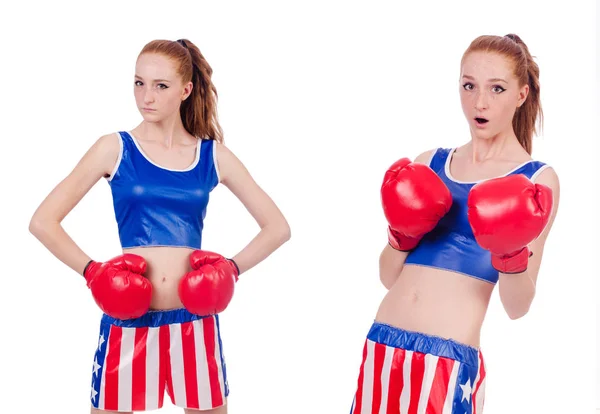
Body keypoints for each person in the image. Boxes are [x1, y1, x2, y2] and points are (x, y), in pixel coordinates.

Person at [29, 38, 291, 413]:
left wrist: (230, 270)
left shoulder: (210, 155)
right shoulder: (114, 147)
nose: (145, 96)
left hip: (195, 318)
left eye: (160, 85)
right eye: (139, 83)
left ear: (186, 90)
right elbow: (43, 221)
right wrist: (93, 272)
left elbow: (277, 227)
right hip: (128, 317)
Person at [349, 34, 560, 414]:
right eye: (469, 85)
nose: (479, 102)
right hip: (382, 344)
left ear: (521, 94)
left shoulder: (535, 181)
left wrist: (510, 252)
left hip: (447, 363)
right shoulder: (430, 162)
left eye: (497, 88)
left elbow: (518, 306)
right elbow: (388, 276)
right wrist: (400, 235)